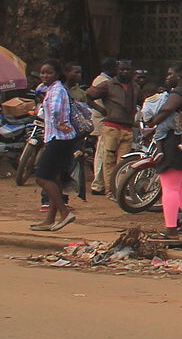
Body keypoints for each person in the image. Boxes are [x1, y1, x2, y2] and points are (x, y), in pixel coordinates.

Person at [142, 62, 182, 241]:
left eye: (170, 74)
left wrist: (152, 123)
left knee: (168, 187)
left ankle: (171, 230)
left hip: (175, 144)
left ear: (180, 75)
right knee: (178, 186)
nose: (167, 77)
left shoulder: (179, 92)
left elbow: (168, 108)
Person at [29, 60, 81, 232]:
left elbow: (57, 112)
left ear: (57, 74)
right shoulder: (51, 89)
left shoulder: (57, 90)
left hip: (59, 138)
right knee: (55, 178)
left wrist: (57, 124)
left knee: (41, 177)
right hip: (60, 138)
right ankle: (50, 219)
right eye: (42, 73)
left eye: (49, 73)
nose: (45, 76)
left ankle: (65, 213)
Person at [87, 58, 138, 197]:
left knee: (123, 162)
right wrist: (101, 110)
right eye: (122, 69)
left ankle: (119, 190)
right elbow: (89, 95)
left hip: (127, 129)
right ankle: (111, 190)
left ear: (132, 71)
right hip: (111, 128)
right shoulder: (108, 85)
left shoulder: (135, 87)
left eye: (127, 69)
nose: (124, 72)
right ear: (117, 70)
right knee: (108, 160)